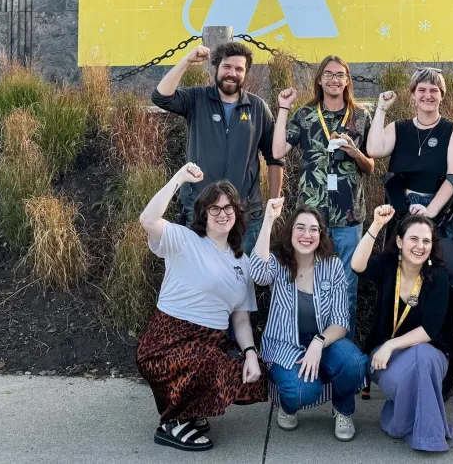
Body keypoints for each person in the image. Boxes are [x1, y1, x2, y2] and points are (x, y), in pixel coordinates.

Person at [136, 168, 267, 452]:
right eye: (214, 208)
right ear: (204, 213)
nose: (222, 213)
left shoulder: (241, 262)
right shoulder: (183, 240)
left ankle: (192, 408)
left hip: (208, 343)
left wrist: (251, 355)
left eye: (228, 207)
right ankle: (173, 423)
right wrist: (178, 179)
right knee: (209, 361)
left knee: (249, 370)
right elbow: (147, 219)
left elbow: (241, 319)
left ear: (237, 212)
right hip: (165, 344)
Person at [366, 67, 453, 396]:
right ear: (413, 94)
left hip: (441, 219)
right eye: (422, 90)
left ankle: (445, 363)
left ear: (442, 95)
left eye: (434, 90)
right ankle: (398, 357)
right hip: (401, 220)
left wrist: (429, 214)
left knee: (450, 286)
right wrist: (382, 109)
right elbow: (374, 150)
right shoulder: (398, 128)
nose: (428, 95)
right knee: (396, 287)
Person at [251, 197, 368, 440]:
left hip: (325, 341)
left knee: (354, 364)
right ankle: (288, 405)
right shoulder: (279, 263)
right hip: (285, 344)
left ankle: (343, 409)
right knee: (301, 391)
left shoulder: (332, 266)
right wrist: (269, 219)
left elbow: (340, 321)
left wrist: (318, 342)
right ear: (290, 232)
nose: (307, 234)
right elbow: (258, 273)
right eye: (300, 228)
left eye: (314, 229)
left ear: (321, 235)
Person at [273, 55, 373, 336]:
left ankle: (343, 351)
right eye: (328, 74)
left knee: (347, 287)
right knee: (308, 283)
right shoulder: (305, 115)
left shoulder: (361, 115)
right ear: (319, 79)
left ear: (348, 80)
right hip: (311, 216)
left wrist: (355, 152)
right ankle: (308, 344)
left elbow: (370, 166)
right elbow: (278, 151)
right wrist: (283, 108)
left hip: (348, 215)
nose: (334, 79)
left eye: (340, 74)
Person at [153, 41, 282, 252]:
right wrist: (186, 61)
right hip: (200, 211)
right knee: (199, 278)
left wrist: (274, 201)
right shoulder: (197, 98)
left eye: (239, 69)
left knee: (243, 279)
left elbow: (275, 157)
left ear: (246, 73)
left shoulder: (258, 108)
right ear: (216, 68)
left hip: (244, 213)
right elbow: (161, 98)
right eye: (227, 67)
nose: (232, 73)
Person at [351, 204, 453, 453]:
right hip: (385, 358)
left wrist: (391, 344)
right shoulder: (388, 267)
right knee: (415, 366)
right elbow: (357, 265)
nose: (420, 246)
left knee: (422, 355)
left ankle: (423, 434)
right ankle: (402, 421)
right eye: (414, 239)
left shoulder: (438, 276)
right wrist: (376, 225)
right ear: (399, 241)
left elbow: (429, 331)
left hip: (428, 353)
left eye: (426, 241)